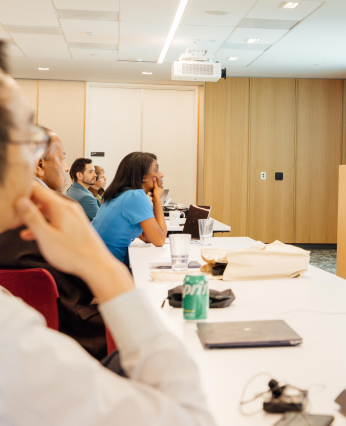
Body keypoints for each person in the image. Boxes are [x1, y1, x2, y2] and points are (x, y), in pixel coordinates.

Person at [0, 41, 214, 425]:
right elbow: (189, 417)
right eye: (27, 139)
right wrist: (106, 271)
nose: (62, 167)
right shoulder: (10, 341)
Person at [0, 129, 107, 359]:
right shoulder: (62, 209)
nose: (66, 167)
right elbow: (96, 280)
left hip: (11, 338)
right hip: (76, 331)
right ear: (39, 164)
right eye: (62, 158)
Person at [92, 152, 167, 266]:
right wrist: (157, 199)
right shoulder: (135, 196)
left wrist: (156, 200)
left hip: (97, 260)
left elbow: (148, 237)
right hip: (106, 266)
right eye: (156, 170)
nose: (161, 174)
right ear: (143, 176)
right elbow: (160, 240)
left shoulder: (122, 193)